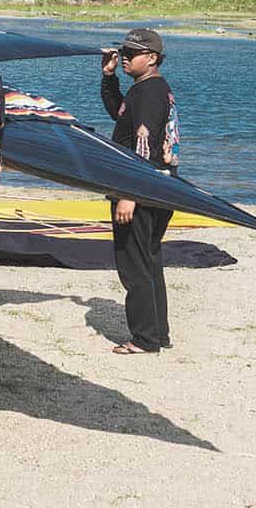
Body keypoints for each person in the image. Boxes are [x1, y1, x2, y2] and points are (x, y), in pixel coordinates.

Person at [100, 28, 178, 356]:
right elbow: (121, 117)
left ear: (153, 58)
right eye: (124, 51)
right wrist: (109, 78)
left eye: (132, 53)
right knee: (148, 259)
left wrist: (130, 193)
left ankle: (144, 339)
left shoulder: (149, 93)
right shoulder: (149, 88)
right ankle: (158, 333)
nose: (125, 57)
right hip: (159, 186)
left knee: (133, 263)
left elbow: (144, 144)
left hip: (142, 188)